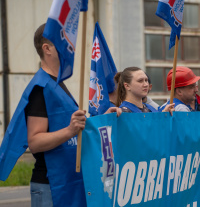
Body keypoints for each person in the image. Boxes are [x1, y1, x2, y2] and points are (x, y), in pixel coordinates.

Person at [0, 24, 120, 207]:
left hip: (68, 182)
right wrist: (70, 130)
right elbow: (35, 141)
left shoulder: (56, 85)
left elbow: (73, 127)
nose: (70, 47)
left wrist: (100, 118)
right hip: (51, 185)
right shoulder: (41, 88)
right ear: (46, 49)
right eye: (64, 42)